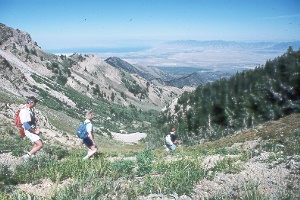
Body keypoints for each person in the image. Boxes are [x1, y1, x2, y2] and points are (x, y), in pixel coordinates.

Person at [19, 96, 43, 161]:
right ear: (31, 103)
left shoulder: (29, 109)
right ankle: (26, 157)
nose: (35, 105)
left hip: (31, 129)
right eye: (35, 103)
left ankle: (30, 155)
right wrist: (35, 131)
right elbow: (26, 124)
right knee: (40, 144)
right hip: (29, 130)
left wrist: (34, 119)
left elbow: (28, 120)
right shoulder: (25, 111)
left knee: (36, 143)